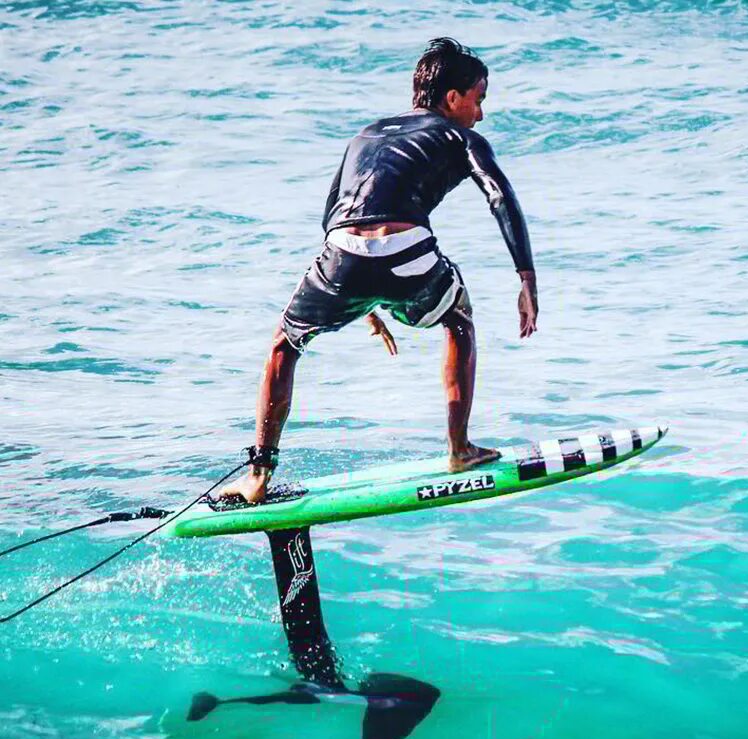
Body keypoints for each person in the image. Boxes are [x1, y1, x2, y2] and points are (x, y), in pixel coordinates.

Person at [220, 37, 539, 505]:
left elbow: (334, 217)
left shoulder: (364, 135)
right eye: (479, 100)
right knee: (459, 320)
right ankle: (459, 449)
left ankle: (258, 475)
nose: (481, 114)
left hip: (341, 253)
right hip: (408, 251)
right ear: (452, 98)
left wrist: (362, 300)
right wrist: (526, 279)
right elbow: (499, 194)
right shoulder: (461, 137)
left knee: (284, 345)